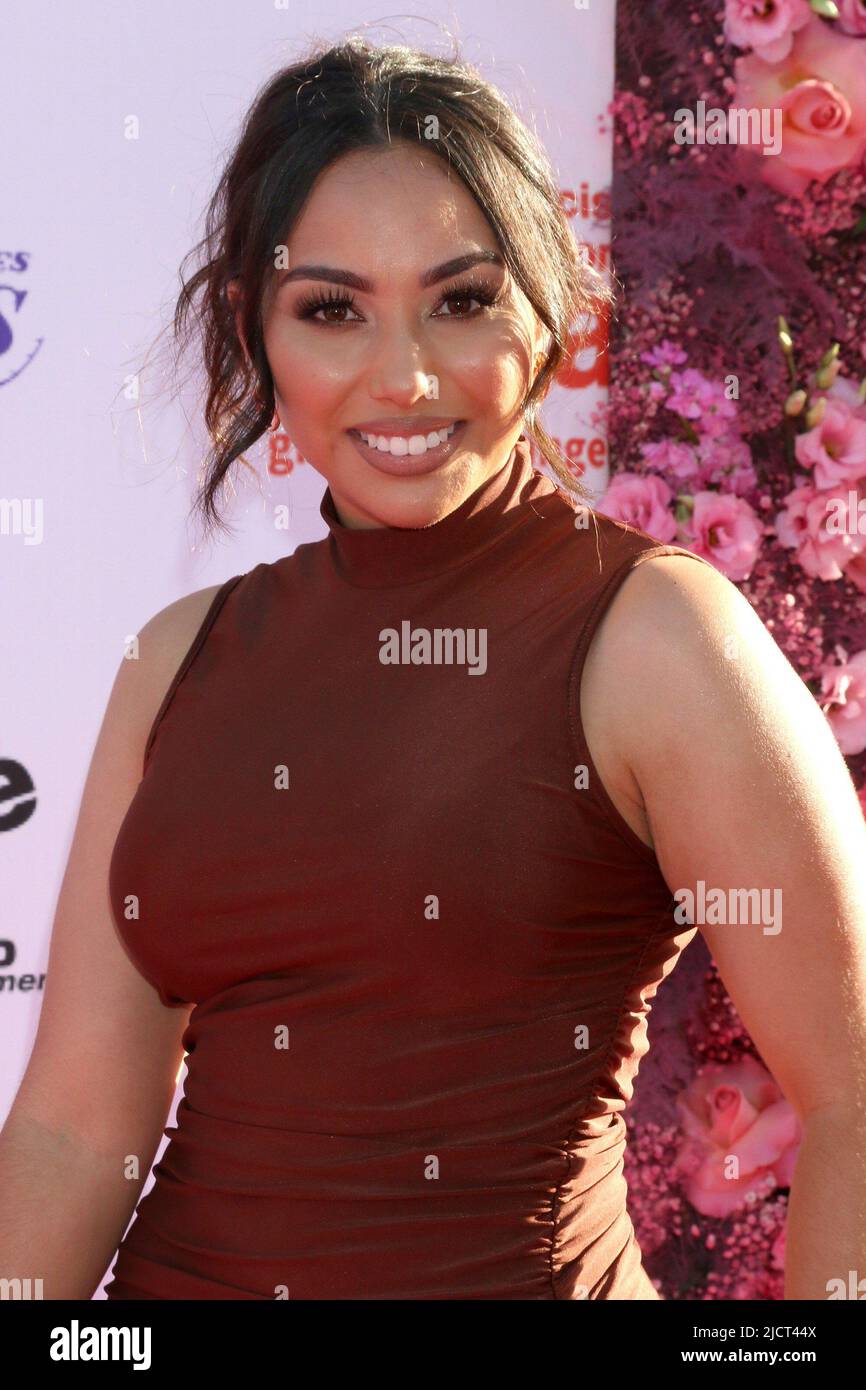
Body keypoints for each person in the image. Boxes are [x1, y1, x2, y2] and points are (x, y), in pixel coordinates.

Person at [2, 36, 864, 1302]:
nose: (402, 376)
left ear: (549, 313)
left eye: (460, 300)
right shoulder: (176, 658)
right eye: (331, 309)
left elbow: (850, 1092)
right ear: (256, 335)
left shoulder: (653, 634)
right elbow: (75, 1136)